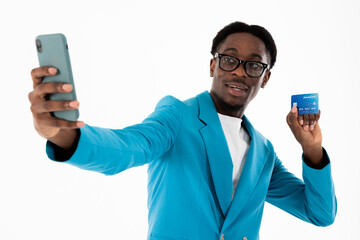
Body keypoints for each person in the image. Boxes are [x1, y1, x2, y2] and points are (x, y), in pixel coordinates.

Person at [28, 21, 337, 240]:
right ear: (213, 66)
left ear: (265, 78)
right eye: (229, 60)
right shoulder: (178, 116)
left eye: (254, 65)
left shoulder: (263, 152)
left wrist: (311, 149)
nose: (240, 71)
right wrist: (62, 134)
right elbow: (128, 147)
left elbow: (320, 214)